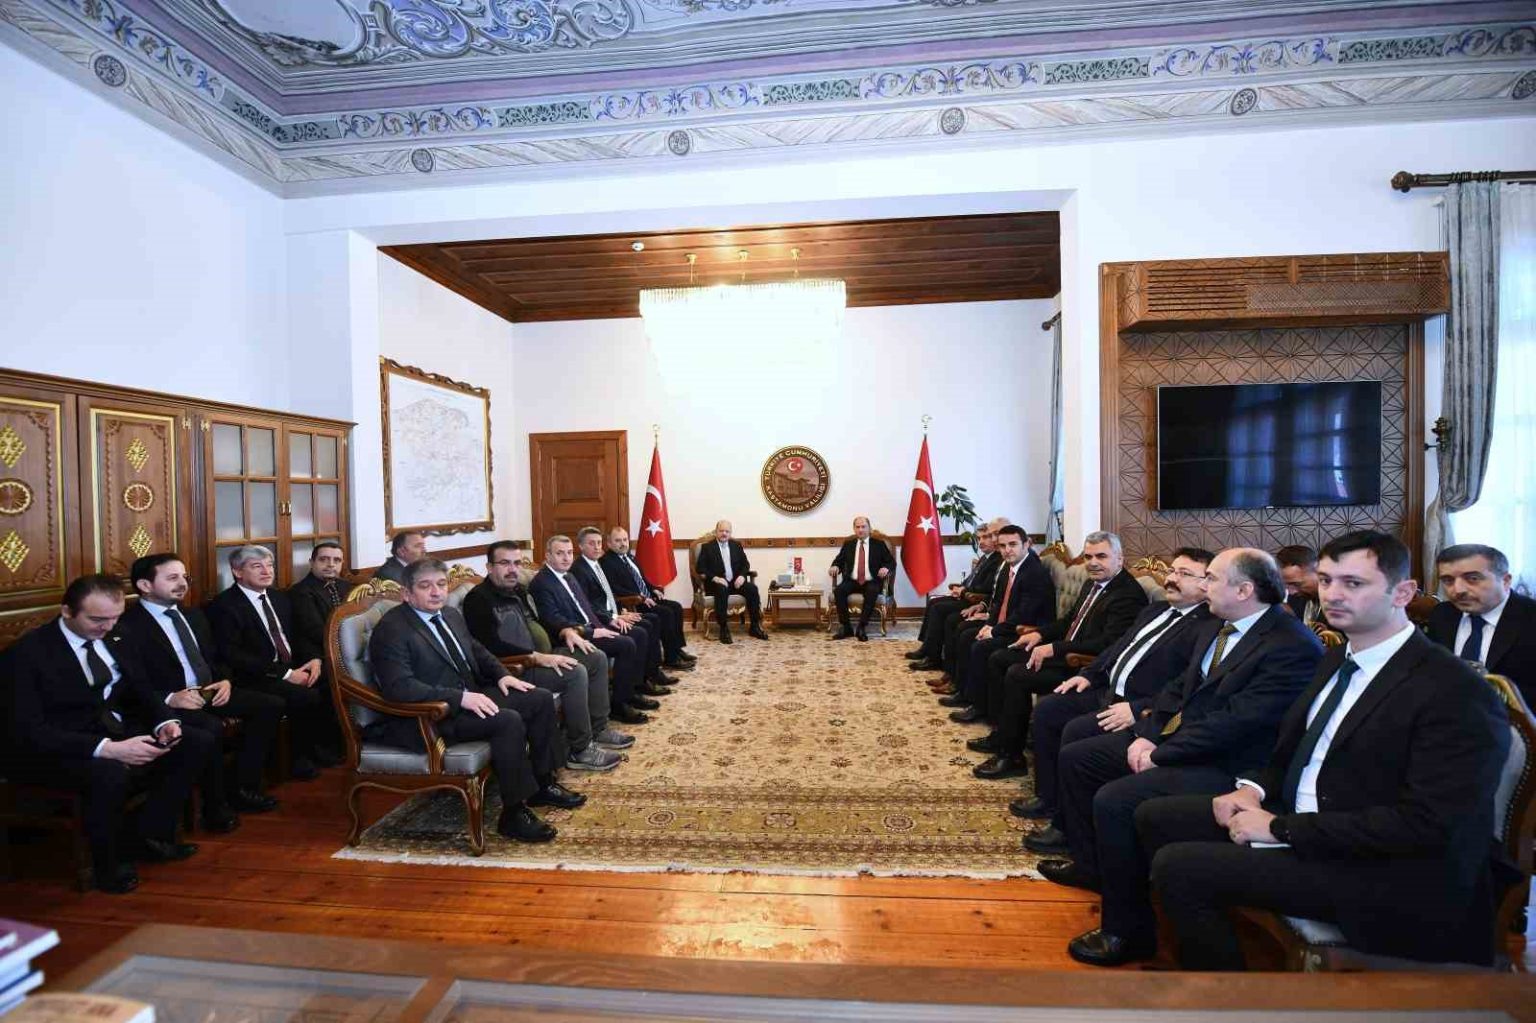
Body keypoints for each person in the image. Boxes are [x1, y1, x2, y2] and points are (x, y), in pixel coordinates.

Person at [1141, 531, 1510, 970]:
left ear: (1403, 593)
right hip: (1312, 820)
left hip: (1386, 870)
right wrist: (1253, 790)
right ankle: (1193, 952)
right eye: (1327, 580)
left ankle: (1229, 993)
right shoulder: (1338, 657)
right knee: (1154, 815)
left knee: (1180, 867)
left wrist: (1281, 829)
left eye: (1353, 583)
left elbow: (1427, 825)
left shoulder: (1455, 691)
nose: (1332, 594)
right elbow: (1293, 749)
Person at [1041, 547, 1323, 967]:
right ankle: (1093, 866)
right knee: (1082, 759)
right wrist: (1146, 734)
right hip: (1182, 741)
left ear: (1244, 590)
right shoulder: (1219, 625)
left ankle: (1127, 931)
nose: (1204, 586)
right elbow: (1179, 689)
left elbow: (1237, 722)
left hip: (1231, 765)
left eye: (1211, 578)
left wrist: (1162, 751)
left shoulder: (1290, 645)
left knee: (1116, 800)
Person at [4, 574, 214, 893]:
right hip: (54, 746)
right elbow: (28, 731)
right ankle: (108, 866)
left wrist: (164, 722)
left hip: (110, 728)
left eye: (114, 618)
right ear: (67, 611)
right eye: (97, 619)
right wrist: (108, 748)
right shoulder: (27, 654)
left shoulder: (118, 635)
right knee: (109, 772)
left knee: (194, 741)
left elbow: (141, 690)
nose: (108, 627)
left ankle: (150, 836)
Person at [367, 558, 583, 843]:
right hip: (431, 715)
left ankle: (543, 785)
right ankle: (513, 814)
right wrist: (460, 698)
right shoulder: (392, 629)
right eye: (425, 586)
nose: (436, 592)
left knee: (538, 698)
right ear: (407, 593)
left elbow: (477, 650)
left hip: (468, 694)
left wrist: (502, 675)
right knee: (507, 721)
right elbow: (399, 688)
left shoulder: (449, 614)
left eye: (441, 584)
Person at [1008, 547, 1214, 826]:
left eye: (1184, 574)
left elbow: (1187, 685)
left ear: (1207, 583)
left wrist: (1139, 708)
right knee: (1049, 710)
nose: (1171, 579)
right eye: (1172, 571)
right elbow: (1118, 646)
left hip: (1136, 707)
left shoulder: (1207, 626)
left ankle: (1067, 822)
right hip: (1107, 690)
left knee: (1075, 732)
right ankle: (1048, 797)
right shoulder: (1157, 609)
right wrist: (1089, 674)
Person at [117, 553, 283, 824]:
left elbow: (217, 657)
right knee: (210, 728)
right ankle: (214, 807)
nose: (182, 583)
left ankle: (243, 788)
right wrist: (170, 698)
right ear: (145, 585)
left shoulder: (192, 615)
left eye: (185, 577)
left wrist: (225, 680)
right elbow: (131, 682)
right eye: (172, 578)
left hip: (209, 690)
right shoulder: (127, 625)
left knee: (269, 705)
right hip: (169, 702)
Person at [972, 531, 1148, 779]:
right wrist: (1039, 635)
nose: (1093, 563)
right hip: (1069, 652)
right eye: (1088, 557)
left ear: (1120, 559)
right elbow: (1068, 621)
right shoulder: (1094, 583)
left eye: (1101, 556)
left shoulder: (1127, 594)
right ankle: (1004, 735)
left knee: (1017, 674)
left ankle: (1011, 756)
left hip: (1083, 666)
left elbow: (1107, 645)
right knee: (1000, 658)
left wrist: (1054, 648)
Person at [463, 541, 626, 771]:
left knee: (595, 657)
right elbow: (490, 646)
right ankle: (580, 750)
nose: (512, 569)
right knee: (575, 673)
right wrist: (537, 657)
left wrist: (565, 630)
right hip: (516, 667)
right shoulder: (478, 599)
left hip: (542, 652)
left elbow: (542, 622)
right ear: (489, 567)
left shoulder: (518, 590)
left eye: (516, 563)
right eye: (505, 563)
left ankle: (599, 729)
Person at [204, 545, 333, 780]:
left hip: (287, 665)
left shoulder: (278, 597)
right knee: (305, 695)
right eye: (257, 566)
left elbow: (297, 636)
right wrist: (286, 674)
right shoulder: (224, 606)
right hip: (253, 675)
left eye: (270, 565)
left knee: (329, 679)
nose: (267, 571)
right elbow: (233, 655)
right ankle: (297, 758)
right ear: (237, 571)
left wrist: (312, 659)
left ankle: (319, 748)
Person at [529, 534, 654, 724]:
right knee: (626, 644)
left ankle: (631, 692)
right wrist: (592, 631)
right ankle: (619, 705)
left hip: (590, 627)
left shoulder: (568, 576)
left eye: (569, 553)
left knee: (636, 633)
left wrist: (609, 621)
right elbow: (553, 619)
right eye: (560, 553)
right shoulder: (542, 583)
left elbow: (586, 607)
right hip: (573, 637)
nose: (566, 558)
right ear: (548, 556)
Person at [941, 525, 1054, 723]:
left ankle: (979, 706)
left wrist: (994, 631)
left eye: (1013, 544)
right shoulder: (1009, 568)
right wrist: (989, 624)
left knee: (981, 647)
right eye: (1002, 546)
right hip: (1009, 626)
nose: (1007, 550)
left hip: (1026, 633)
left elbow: (1024, 614)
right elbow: (999, 602)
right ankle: (967, 694)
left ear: (1026, 544)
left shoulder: (1034, 573)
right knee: (968, 635)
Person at [1428, 543, 1535, 710]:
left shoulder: (1530, 617)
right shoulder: (1442, 615)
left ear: (1505, 581)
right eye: (1448, 580)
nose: (1458, 590)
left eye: (1472, 578)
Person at [571, 526, 675, 694]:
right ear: (581, 546)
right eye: (591, 543)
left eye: (598, 543)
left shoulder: (595, 564)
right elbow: (587, 605)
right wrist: (613, 617)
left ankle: (649, 675)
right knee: (641, 631)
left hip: (613, 613)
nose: (597, 547)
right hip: (599, 622)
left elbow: (607, 595)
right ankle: (636, 686)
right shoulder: (579, 570)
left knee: (649, 622)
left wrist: (622, 612)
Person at [907, 518, 1004, 670]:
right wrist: (960, 587)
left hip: (974, 600)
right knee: (933, 602)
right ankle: (927, 648)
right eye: (979, 538)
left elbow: (986, 588)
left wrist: (963, 590)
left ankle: (932, 656)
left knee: (939, 609)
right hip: (968, 595)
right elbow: (970, 580)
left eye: (986, 537)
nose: (981, 542)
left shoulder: (998, 559)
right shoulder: (985, 558)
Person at [601, 526, 695, 670]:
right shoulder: (607, 562)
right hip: (633, 603)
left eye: (625, 540)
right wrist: (642, 597)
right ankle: (671, 659)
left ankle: (676, 649)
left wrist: (653, 589)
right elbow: (615, 588)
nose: (623, 543)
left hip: (647, 597)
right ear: (609, 543)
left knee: (676, 607)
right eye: (618, 541)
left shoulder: (630, 557)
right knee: (666, 613)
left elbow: (642, 579)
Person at [287, 540, 347, 753]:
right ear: (311, 562)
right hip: (316, 655)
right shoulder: (300, 592)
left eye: (336, 560)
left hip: (345, 652)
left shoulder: (347, 587)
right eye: (324, 559)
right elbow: (317, 631)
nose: (331, 565)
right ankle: (331, 749)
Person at [695, 519, 768, 643]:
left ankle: (754, 626)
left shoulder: (736, 545)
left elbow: (745, 564)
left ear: (730, 533)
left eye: (727, 531)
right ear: (716, 532)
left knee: (752, 589)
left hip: (735, 583)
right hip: (717, 584)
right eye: (721, 531)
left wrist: (742, 576)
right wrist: (716, 578)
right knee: (722, 589)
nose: (724, 533)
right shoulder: (707, 547)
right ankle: (723, 628)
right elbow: (700, 568)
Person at [829, 516, 895, 641]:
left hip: (872, 580)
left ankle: (861, 627)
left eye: (863, 527)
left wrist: (886, 568)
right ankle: (846, 627)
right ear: (854, 529)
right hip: (852, 581)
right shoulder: (849, 544)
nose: (860, 530)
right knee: (839, 591)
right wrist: (835, 566)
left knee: (872, 590)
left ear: (869, 528)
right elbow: (839, 560)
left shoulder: (879, 545)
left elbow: (891, 562)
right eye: (857, 527)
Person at [1276, 545, 1325, 627]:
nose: (1291, 592)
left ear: (1318, 571)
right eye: (1287, 585)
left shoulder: (1341, 604)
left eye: (1296, 584)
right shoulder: (1296, 598)